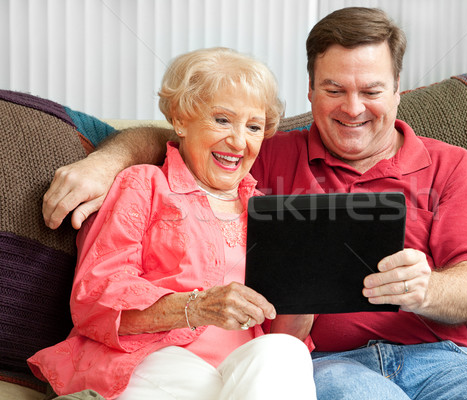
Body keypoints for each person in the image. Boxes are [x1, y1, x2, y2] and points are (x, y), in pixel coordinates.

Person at [40, 7, 467, 400]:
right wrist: (107, 161)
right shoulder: (259, 160)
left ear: (398, 91)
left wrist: (426, 287)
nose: (353, 108)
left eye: (371, 90)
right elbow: (186, 141)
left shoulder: (452, 166)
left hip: (447, 358)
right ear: (310, 93)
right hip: (331, 367)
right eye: (334, 89)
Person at [28, 47, 317, 400]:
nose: (239, 141)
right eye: (223, 120)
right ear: (180, 120)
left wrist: (309, 292)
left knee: (286, 353)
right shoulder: (144, 185)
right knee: (193, 379)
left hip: (240, 376)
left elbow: (281, 337)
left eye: (254, 127)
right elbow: (96, 298)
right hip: (150, 361)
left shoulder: (269, 215)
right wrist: (196, 307)